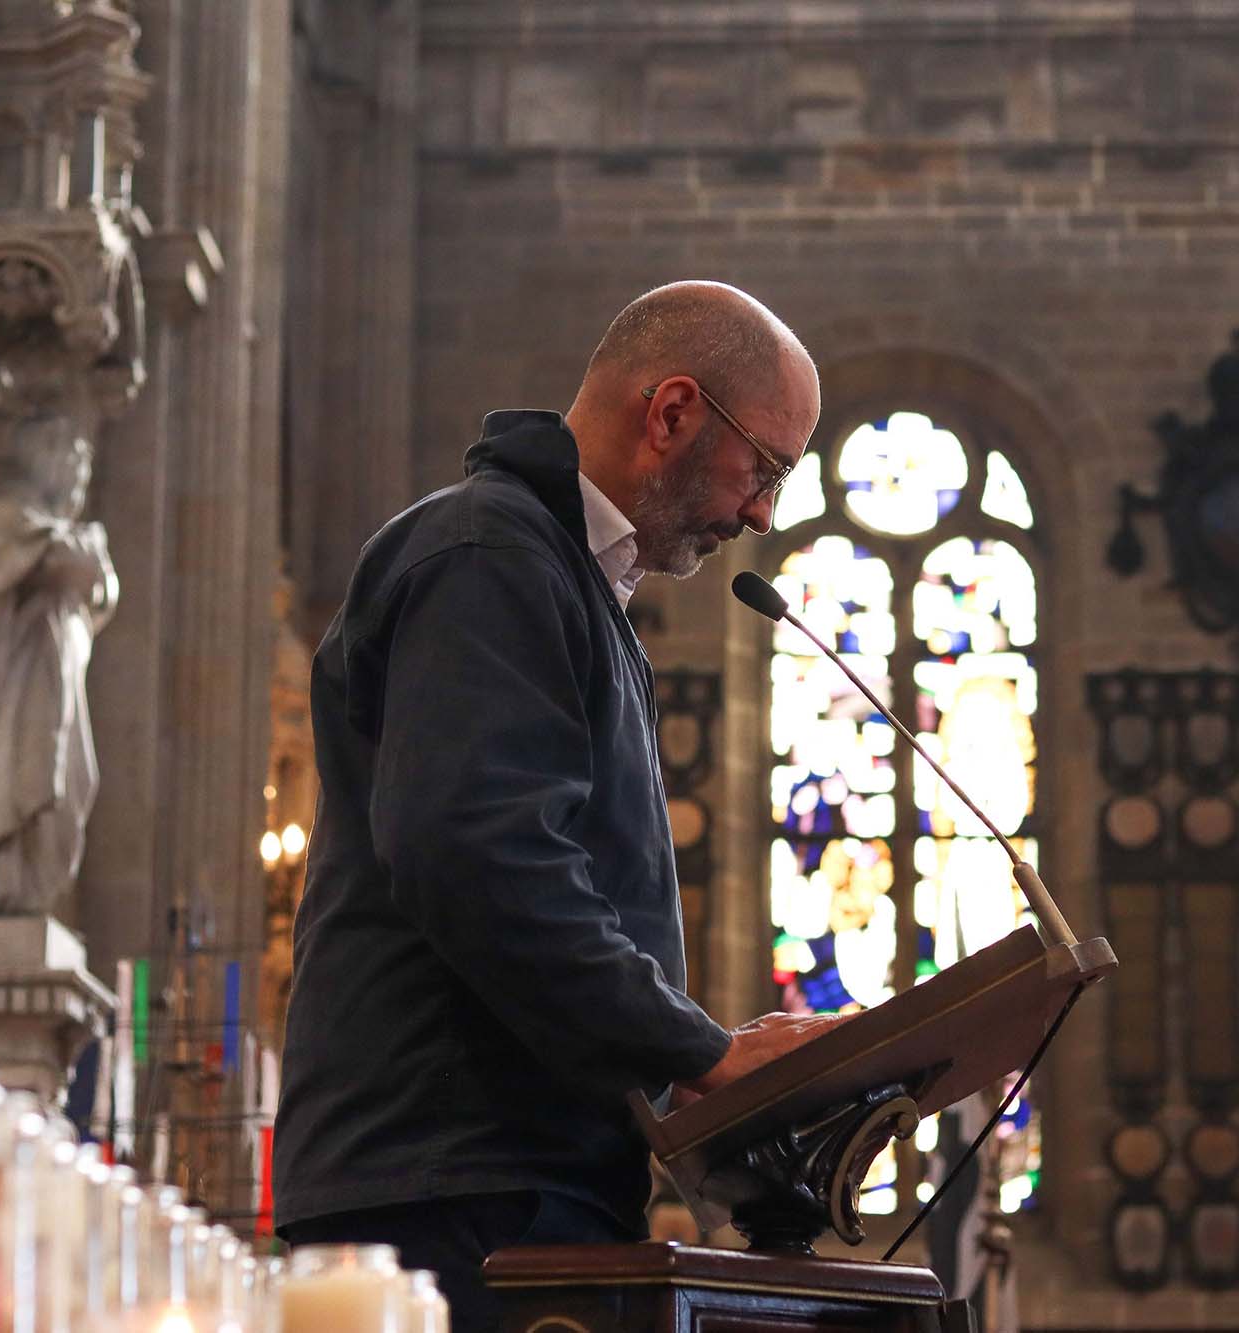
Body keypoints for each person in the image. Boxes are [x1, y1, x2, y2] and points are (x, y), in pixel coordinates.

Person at [273, 282, 837, 1330]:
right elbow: (479, 855)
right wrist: (699, 1050)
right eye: (764, 468)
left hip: (507, 1177)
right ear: (671, 413)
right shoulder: (488, 554)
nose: (762, 512)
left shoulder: (559, 576)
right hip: (451, 1182)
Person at [0, 416, 118, 919]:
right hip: (16, 681)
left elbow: (101, 587)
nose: (80, 479)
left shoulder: (60, 530)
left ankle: (19, 886)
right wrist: (71, 558)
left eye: (85, 470)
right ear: (44, 458)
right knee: (10, 764)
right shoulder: (9, 514)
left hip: (58, 674)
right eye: (73, 465)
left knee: (70, 777)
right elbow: (54, 561)